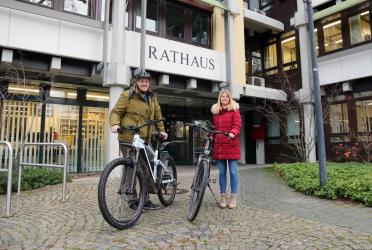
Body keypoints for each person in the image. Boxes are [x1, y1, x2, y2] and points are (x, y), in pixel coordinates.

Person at [110, 70, 168, 210]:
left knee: (149, 165)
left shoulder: (152, 97)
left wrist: (161, 130)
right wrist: (115, 124)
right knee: (131, 167)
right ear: (136, 82)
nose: (144, 83)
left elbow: (157, 115)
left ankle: (146, 198)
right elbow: (116, 112)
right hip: (128, 137)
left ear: (149, 83)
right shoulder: (127, 95)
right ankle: (132, 201)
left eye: (146, 81)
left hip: (144, 139)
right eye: (141, 81)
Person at [211, 89, 241, 209]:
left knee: (233, 172)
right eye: (222, 96)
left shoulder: (234, 111)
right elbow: (214, 128)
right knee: (222, 173)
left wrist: (233, 132)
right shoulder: (216, 112)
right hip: (220, 147)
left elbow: (237, 125)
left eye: (226, 96)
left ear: (229, 98)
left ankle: (233, 197)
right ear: (220, 98)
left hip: (231, 144)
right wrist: (211, 136)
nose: (224, 98)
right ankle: (223, 197)